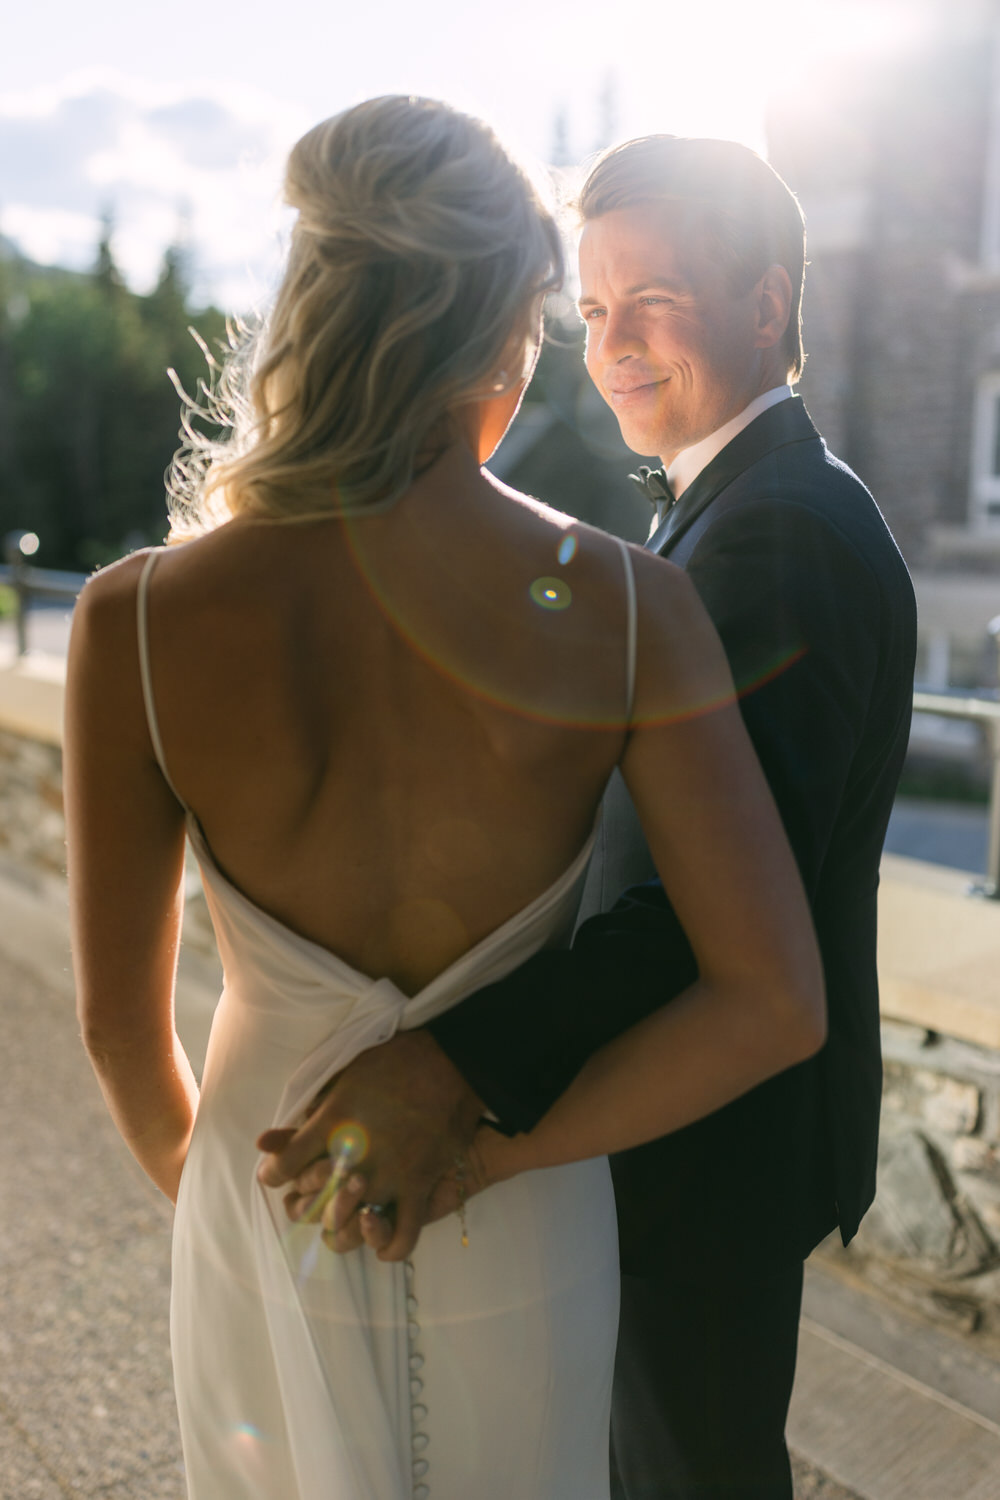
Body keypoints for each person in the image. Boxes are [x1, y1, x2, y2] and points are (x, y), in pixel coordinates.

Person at [64, 101, 824, 1500]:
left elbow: (118, 1028)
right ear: (503, 331)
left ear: (309, 304)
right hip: (519, 1217)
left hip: (262, 1202)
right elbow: (773, 1000)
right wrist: (493, 1160)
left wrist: (241, 1215)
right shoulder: (633, 609)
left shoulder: (133, 625)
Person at [263, 136, 918, 1498]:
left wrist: (451, 1067)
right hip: (690, 1123)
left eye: (655, 301)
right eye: (595, 311)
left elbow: (704, 917)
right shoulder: (731, 510)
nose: (612, 344)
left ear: (766, 308)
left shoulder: (777, 534)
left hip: (709, 1143)